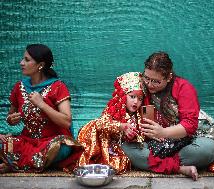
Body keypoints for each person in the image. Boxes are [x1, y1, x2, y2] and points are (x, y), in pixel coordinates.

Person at [121, 52, 214, 181]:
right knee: (125, 148)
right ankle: (179, 168)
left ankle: (158, 163)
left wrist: (163, 132)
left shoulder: (183, 88)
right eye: (146, 78)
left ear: (169, 77)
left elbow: (190, 126)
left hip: (192, 137)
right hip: (158, 142)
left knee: (207, 151)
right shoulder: (140, 84)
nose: (149, 84)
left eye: (156, 81)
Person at [0, 44, 82, 173]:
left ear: (40, 65)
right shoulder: (19, 86)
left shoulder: (58, 87)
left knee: (61, 149)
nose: (21, 63)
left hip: (52, 142)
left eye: (27, 60)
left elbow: (66, 122)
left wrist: (42, 105)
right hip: (27, 141)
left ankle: (15, 163)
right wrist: (11, 119)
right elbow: (10, 116)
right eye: (23, 59)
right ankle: (25, 163)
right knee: (3, 142)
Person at [77, 72, 145, 174]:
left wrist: (135, 136)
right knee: (118, 165)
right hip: (111, 147)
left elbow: (141, 135)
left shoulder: (139, 115)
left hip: (129, 147)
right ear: (123, 95)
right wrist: (121, 126)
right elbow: (100, 125)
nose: (136, 102)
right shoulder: (113, 110)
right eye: (132, 96)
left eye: (140, 99)